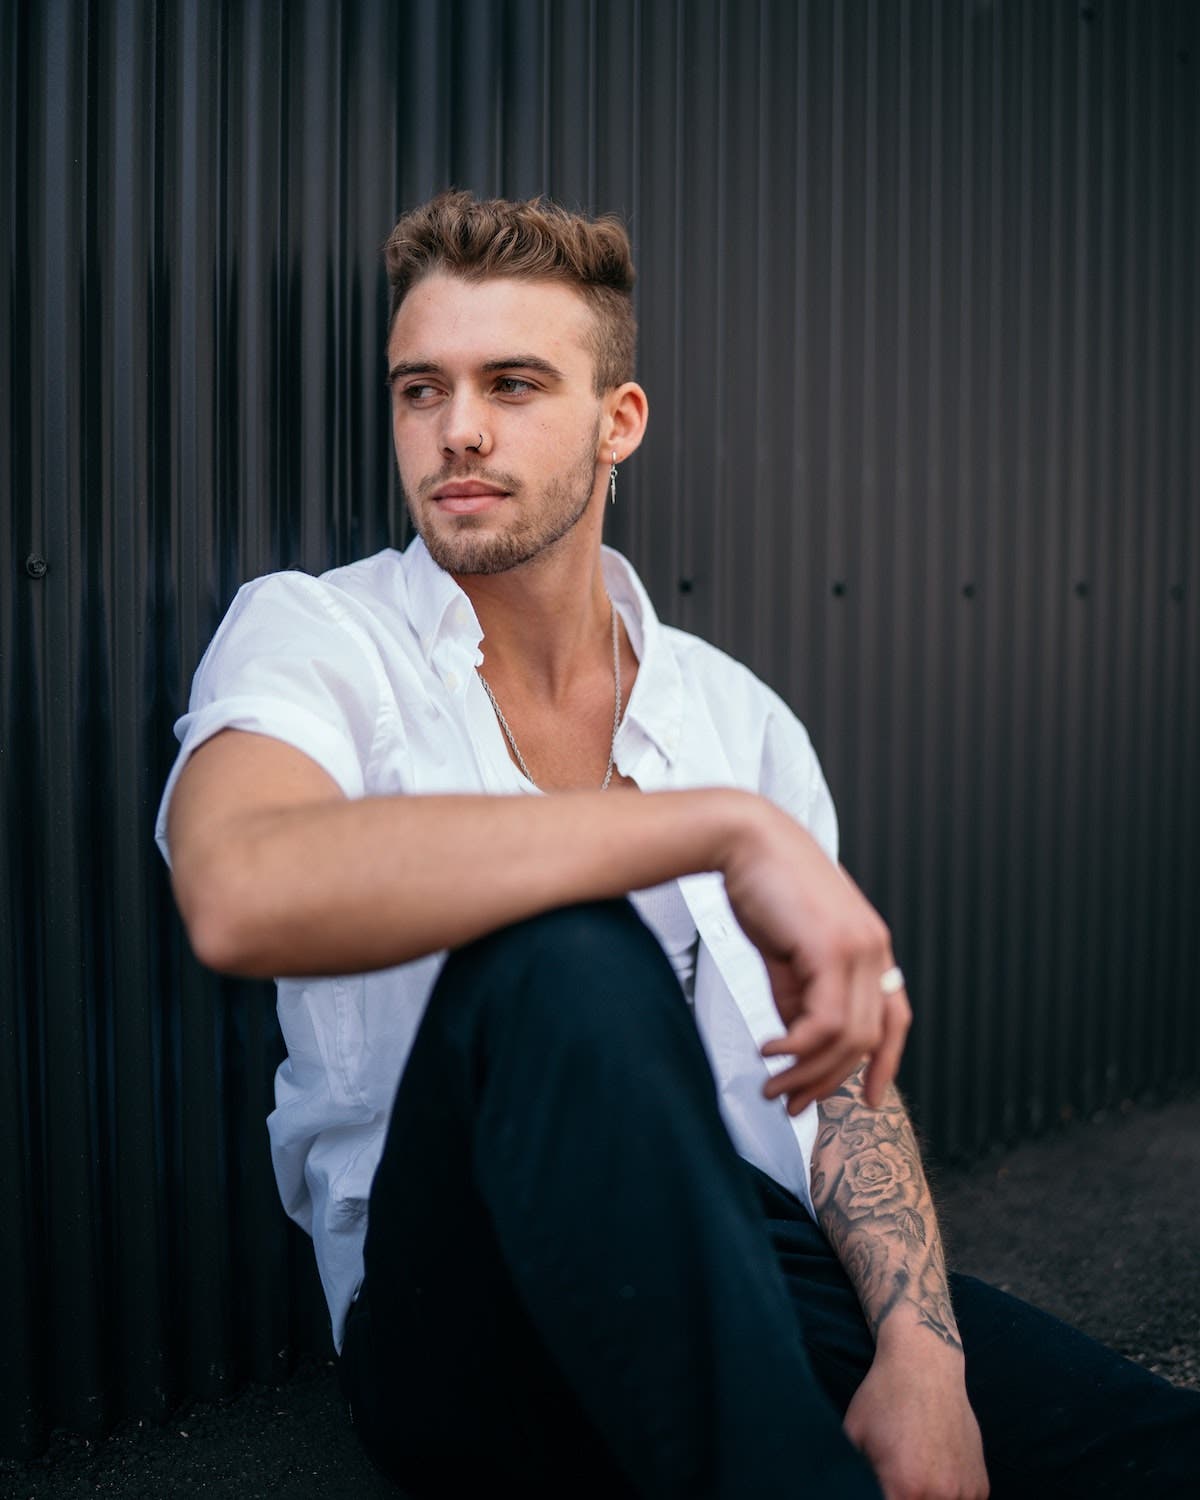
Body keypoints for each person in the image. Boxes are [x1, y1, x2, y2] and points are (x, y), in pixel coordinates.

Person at [156, 191, 1198, 1499]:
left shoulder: (736, 717)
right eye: (421, 389)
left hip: (739, 1248)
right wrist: (713, 829)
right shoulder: (316, 634)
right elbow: (236, 889)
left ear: (618, 423)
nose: (457, 429)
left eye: (515, 383)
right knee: (562, 954)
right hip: (461, 1305)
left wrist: (921, 1359)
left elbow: (841, 1085)